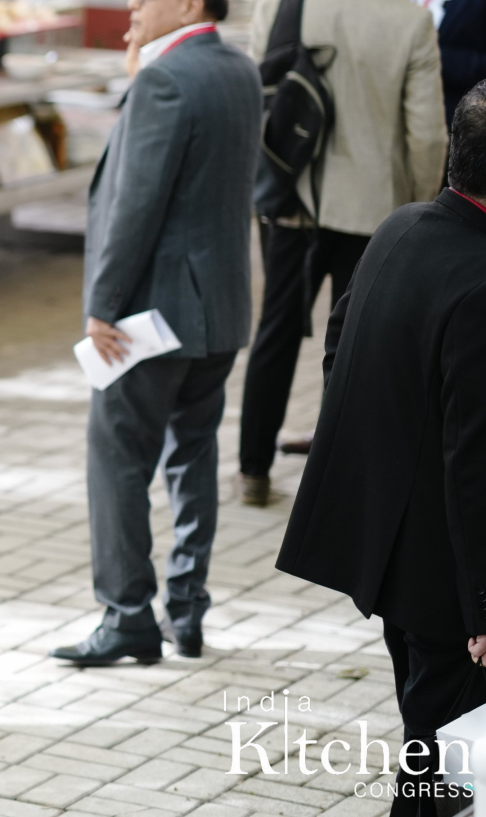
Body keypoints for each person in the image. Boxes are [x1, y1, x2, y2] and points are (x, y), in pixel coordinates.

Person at [276, 83, 486, 817]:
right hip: (448, 581)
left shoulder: (401, 228)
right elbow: (473, 462)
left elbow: (341, 347)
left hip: (395, 557)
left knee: (431, 742)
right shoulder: (479, 282)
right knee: (447, 772)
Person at [51, 0, 262, 667]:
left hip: (154, 313)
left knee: (117, 456)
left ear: (191, 5)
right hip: (221, 306)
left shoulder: (165, 78)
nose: (134, 4)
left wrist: (102, 304)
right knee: (193, 454)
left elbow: (135, 205)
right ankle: (188, 608)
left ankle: (127, 615)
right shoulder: (237, 68)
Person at [237, 0, 447, 505]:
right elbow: (427, 135)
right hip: (375, 214)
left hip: (291, 204)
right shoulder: (411, 21)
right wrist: (417, 208)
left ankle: (253, 471)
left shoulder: (279, 7)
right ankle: (336, 485)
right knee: (356, 347)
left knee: (276, 333)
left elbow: (259, 111)